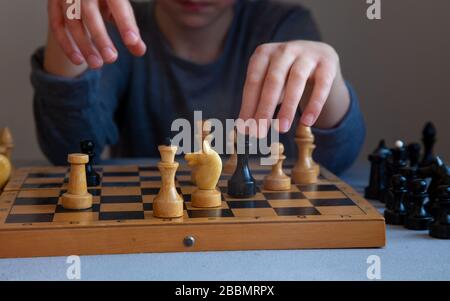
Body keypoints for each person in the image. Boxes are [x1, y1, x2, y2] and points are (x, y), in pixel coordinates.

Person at [31, 0, 365, 174]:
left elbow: (333, 164)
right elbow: (70, 152)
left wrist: (329, 80)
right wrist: (70, 32)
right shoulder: (113, 24)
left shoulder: (284, 25)